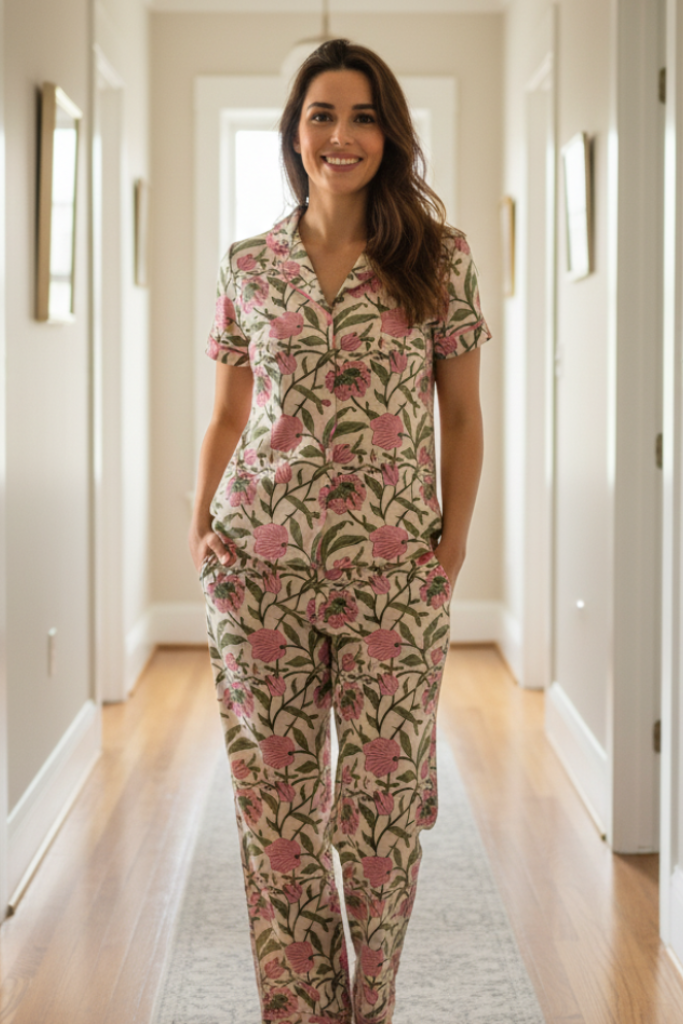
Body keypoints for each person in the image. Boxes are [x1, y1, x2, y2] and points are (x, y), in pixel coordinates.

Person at [189, 38, 490, 1024]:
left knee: (375, 824)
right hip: (257, 577)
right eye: (321, 114)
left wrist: (444, 554)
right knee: (274, 823)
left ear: (388, 134)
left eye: (362, 116)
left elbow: (460, 413)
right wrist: (202, 533)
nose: (341, 134)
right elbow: (230, 414)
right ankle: (302, 1009)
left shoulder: (435, 260)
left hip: (391, 583)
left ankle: (373, 1003)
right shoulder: (247, 265)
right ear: (295, 132)